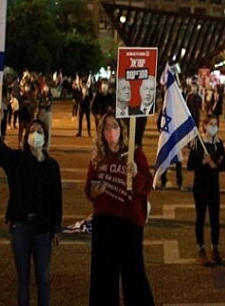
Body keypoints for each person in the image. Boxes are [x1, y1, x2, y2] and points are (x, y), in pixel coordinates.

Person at [0, 111, 62, 306]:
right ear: (26, 136)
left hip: (43, 229)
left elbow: (57, 198)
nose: (35, 135)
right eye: (32, 131)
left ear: (45, 137)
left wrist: (57, 227)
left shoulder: (52, 166)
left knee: (43, 279)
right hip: (20, 226)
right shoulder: (17, 161)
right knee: (23, 280)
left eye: (39, 131)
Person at [85, 112, 155, 305]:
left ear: (122, 129)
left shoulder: (134, 153)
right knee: (103, 277)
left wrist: (136, 174)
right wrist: (94, 192)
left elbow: (147, 186)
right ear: (101, 132)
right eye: (107, 127)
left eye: (114, 126)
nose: (111, 131)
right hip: (104, 221)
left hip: (129, 222)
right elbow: (88, 189)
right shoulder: (98, 157)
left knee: (134, 276)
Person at [187, 114, 225, 265]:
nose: (213, 127)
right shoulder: (197, 143)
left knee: (215, 217)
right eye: (210, 124)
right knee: (201, 217)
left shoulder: (218, 143)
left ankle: (215, 247)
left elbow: (223, 165)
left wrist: (217, 164)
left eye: (215, 124)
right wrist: (203, 161)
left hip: (214, 186)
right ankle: (201, 249)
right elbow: (190, 165)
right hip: (200, 186)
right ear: (204, 126)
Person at [37, 83, 53, 148]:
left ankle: (46, 146)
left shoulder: (50, 96)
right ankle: (39, 144)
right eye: (44, 88)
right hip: (41, 112)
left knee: (47, 129)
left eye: (47, 88)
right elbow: (39, 103)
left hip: (47, 113)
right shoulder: (41, 95)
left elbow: (47, 104)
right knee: (39, 129)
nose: (45, 89)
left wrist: (43, 103)